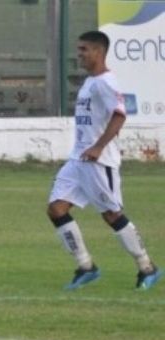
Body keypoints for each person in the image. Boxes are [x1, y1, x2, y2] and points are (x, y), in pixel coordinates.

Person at [46, 30, 161, 291]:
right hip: (78, 160)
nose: (80, 55)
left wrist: (98, 147)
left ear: (99, 51)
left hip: (99, 162)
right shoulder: (90, 82)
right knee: (56, 209)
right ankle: (86, 266)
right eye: (79, 49)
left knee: (111, 214)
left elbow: (119, 116)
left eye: (84, 50)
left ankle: (147, 266)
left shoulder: (106, 82)